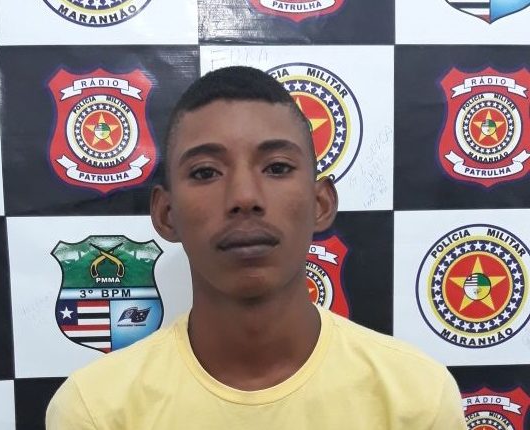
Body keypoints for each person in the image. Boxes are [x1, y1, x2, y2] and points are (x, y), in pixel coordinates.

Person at [46, 66, 467, 429]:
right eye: (206, 172)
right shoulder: (96, 411)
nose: (244, 196)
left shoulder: (417, 398)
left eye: (277, 167)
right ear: (166, 214)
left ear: (320, 204)